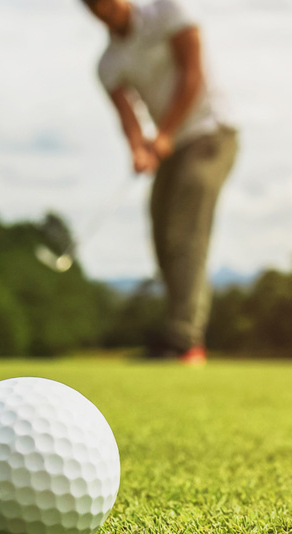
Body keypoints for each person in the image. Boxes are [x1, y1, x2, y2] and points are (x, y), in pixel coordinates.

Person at [74, 0, 238, 366]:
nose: (103, 8)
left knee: (185, 228)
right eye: (93, 4)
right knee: (163, 234)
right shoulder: (108, 64)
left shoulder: (170, 11)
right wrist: (138, 148)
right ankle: (177, 333)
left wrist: (164, 133)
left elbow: (192, 74)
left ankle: (184, 339)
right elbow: (128, 117)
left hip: (211, 133)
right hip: (172, 146)